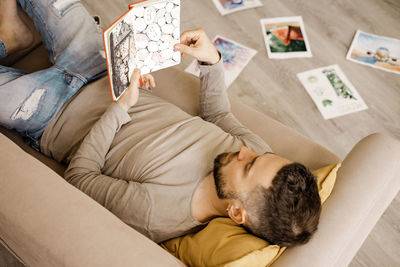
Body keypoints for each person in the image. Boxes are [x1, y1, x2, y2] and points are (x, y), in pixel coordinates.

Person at [0, 0, 321, 247]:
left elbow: (80, 178)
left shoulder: (157, 215)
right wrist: (211, 61)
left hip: (50, 114)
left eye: (248, 166)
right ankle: (13, 32)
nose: (245, 151)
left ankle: (12, 38)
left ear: (237, 213)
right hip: (101, 65)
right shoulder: (258, 155)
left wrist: (120, 108)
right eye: (258, 155)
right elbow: (219, 116)